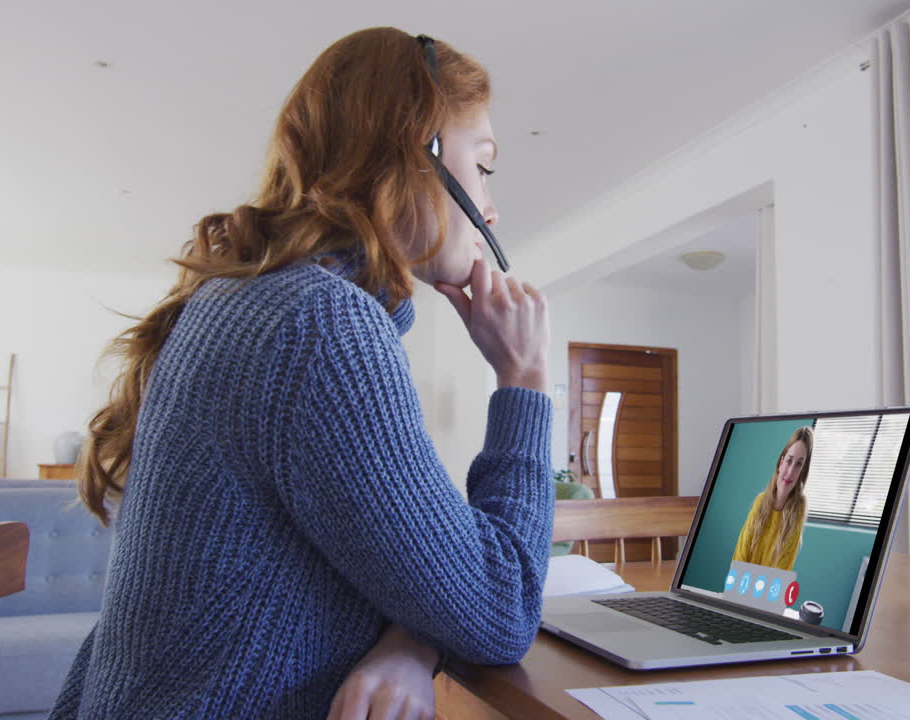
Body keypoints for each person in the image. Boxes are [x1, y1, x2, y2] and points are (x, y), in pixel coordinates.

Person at [49, 27, 553, 720]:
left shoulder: (259, 301)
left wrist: (409, 641)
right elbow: (501, 608)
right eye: (484, 165)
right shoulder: (322, 328)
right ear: (419, 152)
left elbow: (417, 563)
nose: (491, 206)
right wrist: (523, 381)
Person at [731, 426, 813, 571]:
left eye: (799, 464)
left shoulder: (798, 509)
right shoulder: (760, 501)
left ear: (803, 470)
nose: (790, 472)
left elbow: (783, 568)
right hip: (740, 586)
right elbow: (741, 555)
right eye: (789, 461)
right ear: (781, 462)